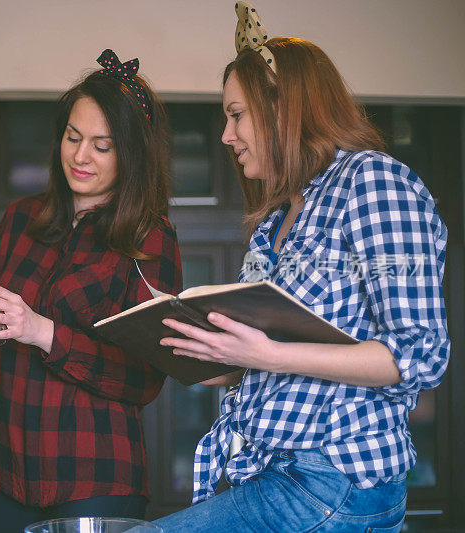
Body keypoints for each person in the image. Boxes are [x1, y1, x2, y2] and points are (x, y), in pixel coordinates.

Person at [154, 3, 449, 532]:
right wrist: (208, 353)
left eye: (236, 114)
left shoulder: (376, 184)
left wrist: (268, 353)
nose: (226, 135)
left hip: (335, 481)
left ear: (283, 109)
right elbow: (269, 356)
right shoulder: (275, 221)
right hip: (273, 475)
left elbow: (418, 354)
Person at [0, 49, 182, 533]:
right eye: (73, 137)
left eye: (102, 146)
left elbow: (146, 378)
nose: (81, 156)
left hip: (94, 480)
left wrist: (41, 330)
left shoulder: (150, 237)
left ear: (132, 154)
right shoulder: (21, 219)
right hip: (2, 469)